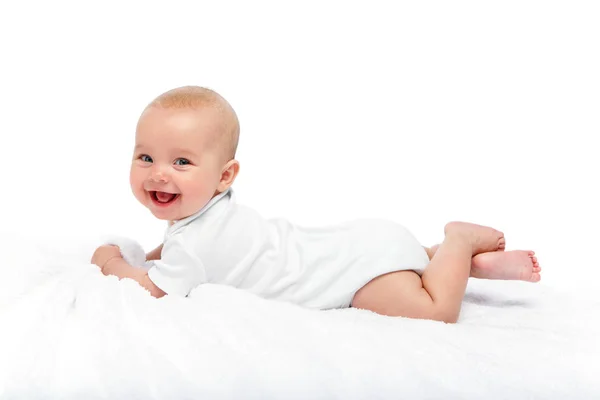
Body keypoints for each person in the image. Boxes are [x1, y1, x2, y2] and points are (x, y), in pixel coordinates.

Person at [91, 85, 541, 324]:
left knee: (434, 310)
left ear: (224, 175)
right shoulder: (211, 211)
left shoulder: (192, 245)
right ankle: (465, 263)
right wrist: (154, 255)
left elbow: (150, 289)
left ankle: (457, 243)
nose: (158, 173)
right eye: (145, 156)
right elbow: (182, 252)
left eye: (181, 161)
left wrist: (112, 261)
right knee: (411, 262)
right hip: (361, 242)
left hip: (355, 278)